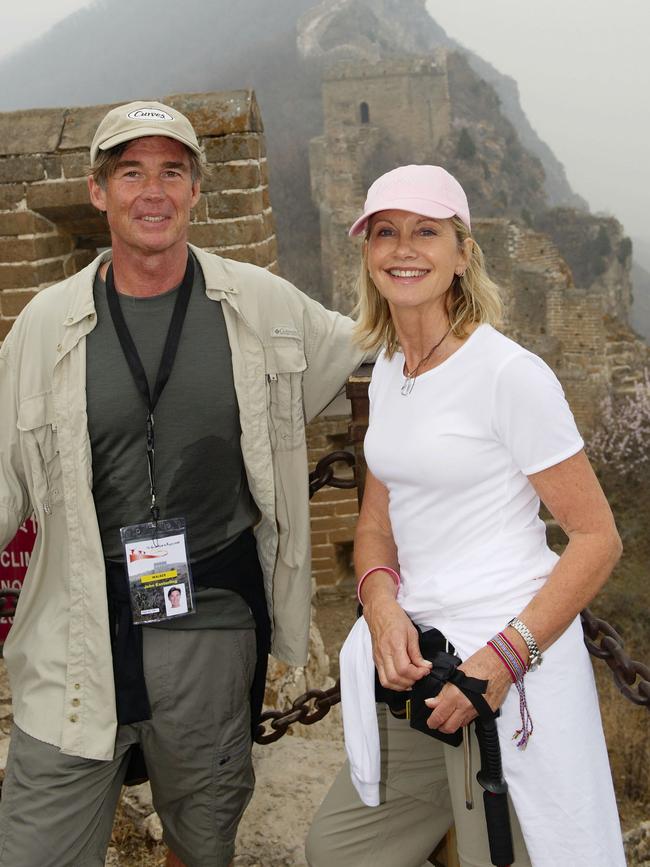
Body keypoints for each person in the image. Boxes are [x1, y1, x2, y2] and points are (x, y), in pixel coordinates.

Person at [0, 100, 366, 867]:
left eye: (172, 170)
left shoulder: (258, 304)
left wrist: (464, 330)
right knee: (35, 845)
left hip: (210, 619)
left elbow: (375, 340)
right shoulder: (44, 323)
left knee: (202, 841)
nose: (153, 191)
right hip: (76, 623)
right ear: (98, 191)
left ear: (198, 189)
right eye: (131, 172)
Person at [306, 165, 626, 867]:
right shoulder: (391, 367)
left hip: (504, 672)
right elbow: (377, 523)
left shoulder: (509, 375)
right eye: (385, 232)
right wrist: (382, 607)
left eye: (426, 231)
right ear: (366, 251)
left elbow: (598, 538)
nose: (403, 248)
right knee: (338, 850)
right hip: (421, 663)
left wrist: (502, 662)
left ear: (462, 252)